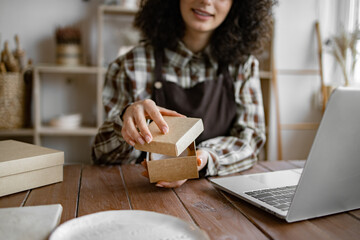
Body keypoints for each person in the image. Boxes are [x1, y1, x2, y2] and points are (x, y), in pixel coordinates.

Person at [92, 0, 276, 188]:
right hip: (141, 191)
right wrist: (125, 123)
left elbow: (250, 139)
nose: (206, 1)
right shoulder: (129, 65)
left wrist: (201, 159)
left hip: (218, 195)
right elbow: (103, 156)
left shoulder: (243, 66)